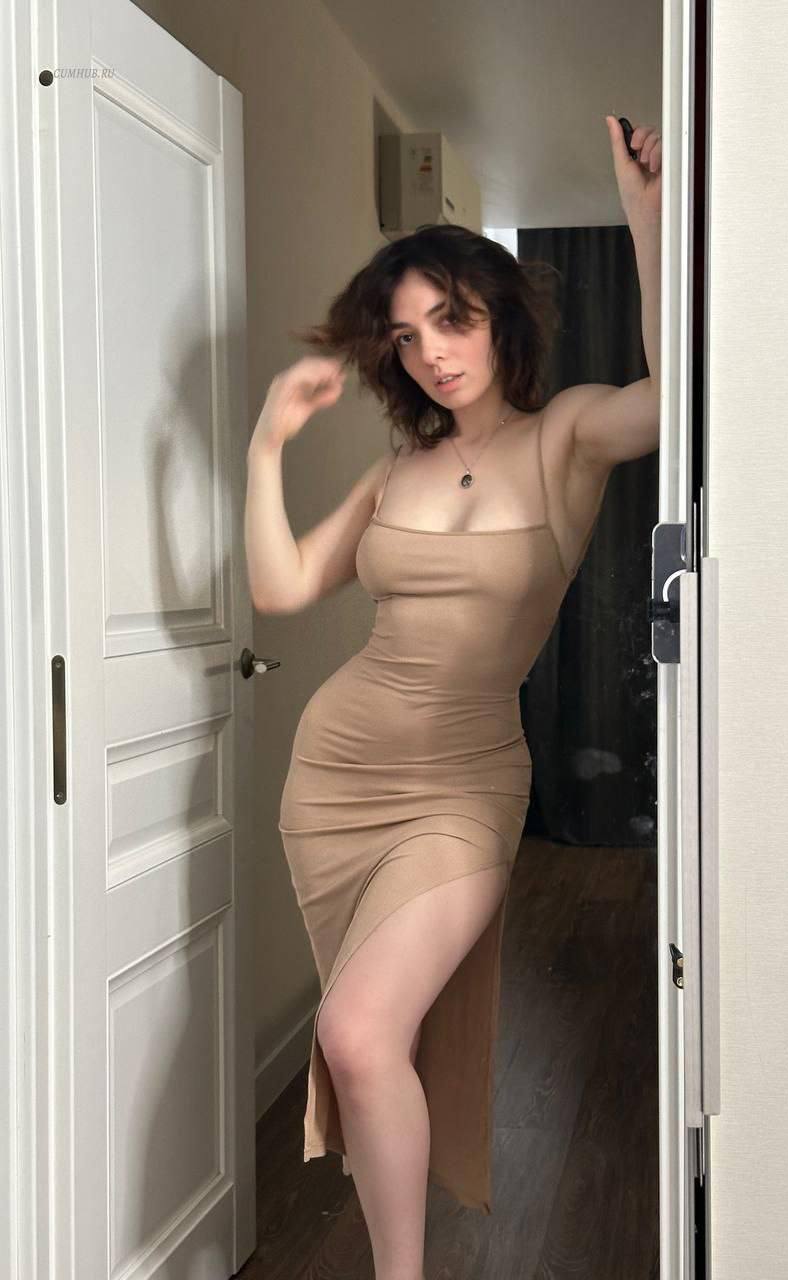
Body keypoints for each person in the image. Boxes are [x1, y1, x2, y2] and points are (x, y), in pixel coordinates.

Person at [244, 119, 662, 1280]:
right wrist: (265, 446)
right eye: (409, 334)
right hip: (339, 779)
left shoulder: (567, 435)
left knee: (354, 1028)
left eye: (453, 317)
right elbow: (282, 586)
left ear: (499, 314)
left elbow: (678, 396)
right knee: (369, 1037)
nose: (434, 351)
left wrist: (646, 217)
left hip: (466, 783)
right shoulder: (396, 471)